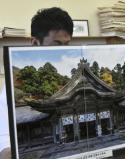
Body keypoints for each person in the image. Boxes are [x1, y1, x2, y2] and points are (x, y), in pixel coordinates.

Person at [0, 7, 73, 158]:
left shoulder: (66, 77)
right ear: (35, 42)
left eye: (67, 44)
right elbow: (5, 142)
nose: (64, 51)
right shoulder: (10, 90)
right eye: (57, 44)